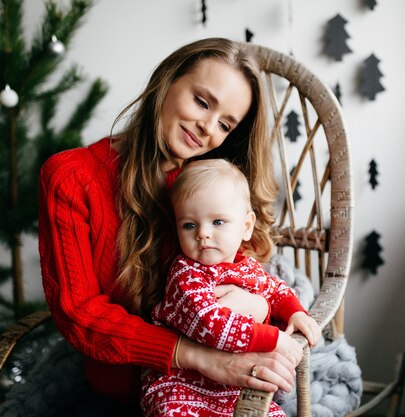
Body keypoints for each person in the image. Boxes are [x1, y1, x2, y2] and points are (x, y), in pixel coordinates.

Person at [38, 38, 299, 411]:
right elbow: (80, 314)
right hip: (122, 391)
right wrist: (198, 356)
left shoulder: (209, 187)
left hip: (224, 393)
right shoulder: (70, 178)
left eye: (225, 124)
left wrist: (257, 305)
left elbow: (247, 272)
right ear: (166, 82)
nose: (207, 127)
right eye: (201, 101)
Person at [141, 159, 321, 416]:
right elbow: (211, 324)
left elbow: (276, 289)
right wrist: (274, 339)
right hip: (180, 384)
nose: (202, 233)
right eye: (189, 225)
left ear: (246, 226)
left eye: (218, 222)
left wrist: (296, 312)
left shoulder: (246, 267)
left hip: (233, 386)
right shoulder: (186, 275)